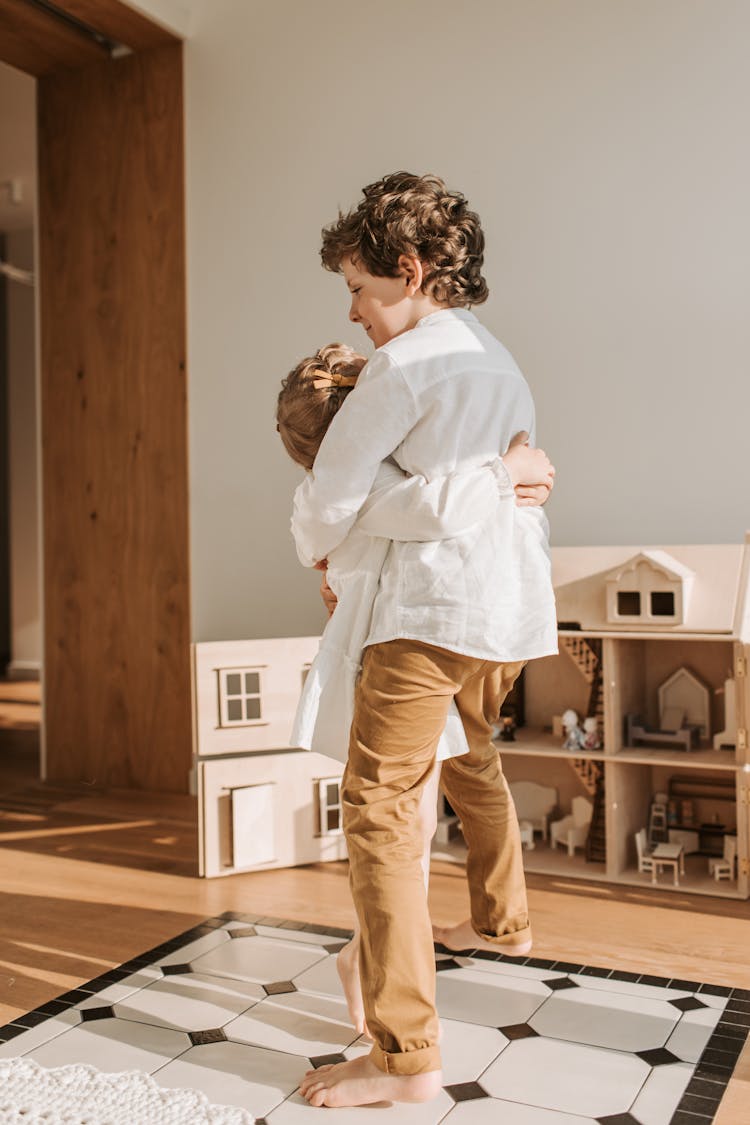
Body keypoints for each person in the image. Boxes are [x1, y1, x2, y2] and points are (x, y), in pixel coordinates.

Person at [291, 172, 559, 1108]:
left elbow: (325, 508)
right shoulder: (501, 361)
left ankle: (404, 1058)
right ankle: (397, 954)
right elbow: (501, 492)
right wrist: (491, 479)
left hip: (429, 615)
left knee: (378, 811)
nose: (357, 313)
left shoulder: (405, 370)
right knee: (455, 773)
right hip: (504, 617)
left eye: (363, 289)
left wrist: (348, 529)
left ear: (409, 271)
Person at [277, 341, 552, 1040]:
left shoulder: (392, 474)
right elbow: (426, 512)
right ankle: (374, 968)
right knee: (402, 825)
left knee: (412, 825)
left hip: (417, 650)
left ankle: (371, 959)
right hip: (386, 659)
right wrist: (510, 471)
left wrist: (519, 476)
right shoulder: (367, 488)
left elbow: (442, 508)